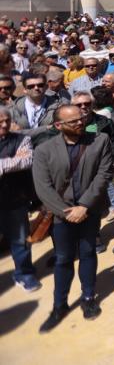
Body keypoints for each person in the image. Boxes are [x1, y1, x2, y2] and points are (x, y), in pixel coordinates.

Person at [32, 104, 113, 332]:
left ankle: (88, 298)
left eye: (82, 118)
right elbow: (43, 187)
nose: (80, 123)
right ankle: (60, 305)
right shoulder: (44, 150)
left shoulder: (100, 140)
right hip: (61, 214)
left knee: (87, 254)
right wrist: (66, 211)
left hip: (89, 210)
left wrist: (84, 206)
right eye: (74, 121)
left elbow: (103, 175)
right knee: (63, 258)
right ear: (58, 125)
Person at [0, 108, 41, 292]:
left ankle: (24, 273)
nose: (4, 125)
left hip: (14, 199)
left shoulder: (21, 139)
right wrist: (11, 162)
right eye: (0, 121)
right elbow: (17, 161)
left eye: (7, 121)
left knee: (20, 239)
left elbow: (26, 160)